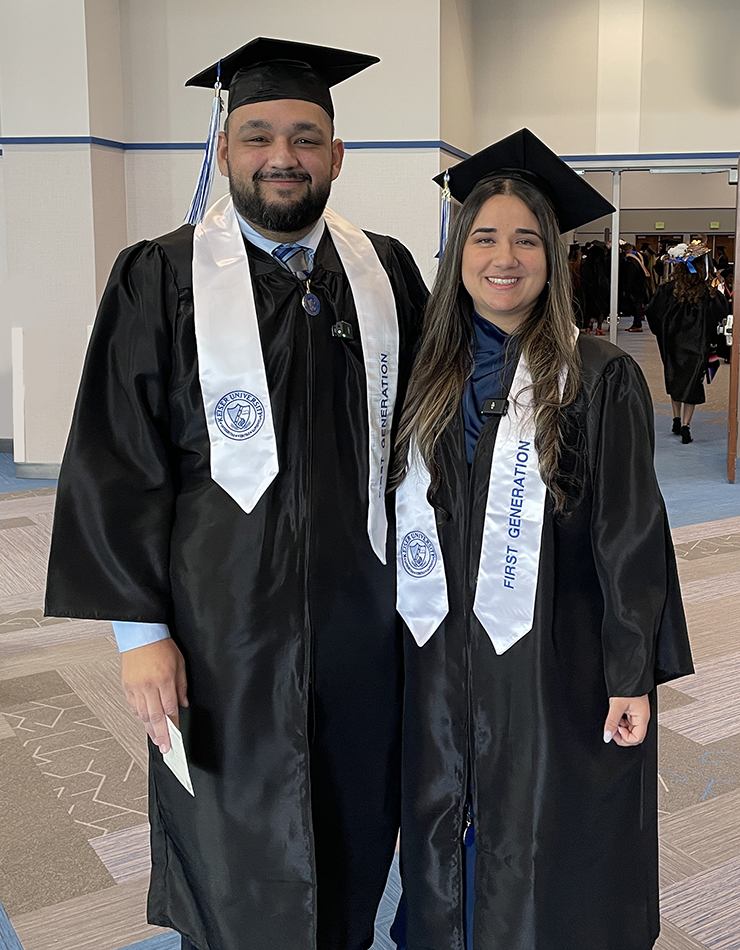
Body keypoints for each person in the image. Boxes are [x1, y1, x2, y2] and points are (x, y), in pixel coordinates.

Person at [45, 37, 428, 950]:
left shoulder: (387, 275)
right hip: (221, 632)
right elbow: (116, 455)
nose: (282, 157)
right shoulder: (159, 277)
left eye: (305, 136)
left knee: (351, 828)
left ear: (339, 155)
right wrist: (141, 637)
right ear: (225, 150)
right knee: (230, 844)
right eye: (258, 135)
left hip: (363, 625)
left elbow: (430, 438)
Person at [389, 129, 693, 950]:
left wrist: (632, 674)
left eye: (528, 239)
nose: (505, 256)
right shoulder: (423, 373)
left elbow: (631, 534)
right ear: (459, 252)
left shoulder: (598, 375)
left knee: (537, 833)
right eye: (485, 236)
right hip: (439, 649)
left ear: (553, 261)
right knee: (445, 815)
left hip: (551, 655)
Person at [646, 240, 729, 444]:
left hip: (673, 346)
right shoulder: (708, 294)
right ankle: (685, 426)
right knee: (692, 385)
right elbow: (722, 313)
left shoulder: (668, 290)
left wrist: (662, 334)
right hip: (697, 347)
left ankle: (675, 418)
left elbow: (652, 313)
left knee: (675, 380)